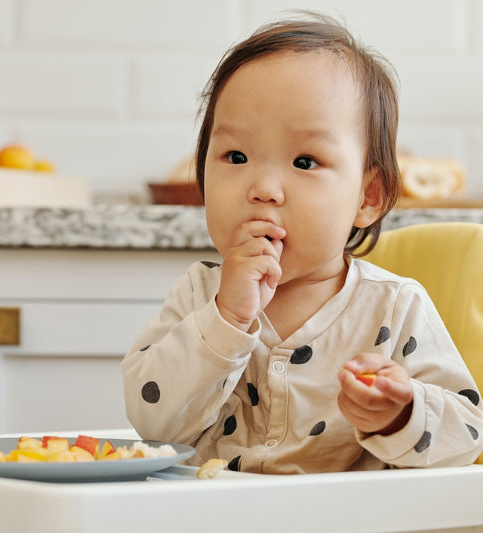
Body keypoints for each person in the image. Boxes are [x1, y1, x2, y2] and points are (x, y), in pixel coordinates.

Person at [122, 12, 483, 474]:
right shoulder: (198, 296)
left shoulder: (394, 308)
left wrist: (403, 414)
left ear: (368, 197)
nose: (264, 188)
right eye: (236, 156)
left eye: (305, 161)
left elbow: (466, 437)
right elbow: (153, 426)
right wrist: (226, 320)